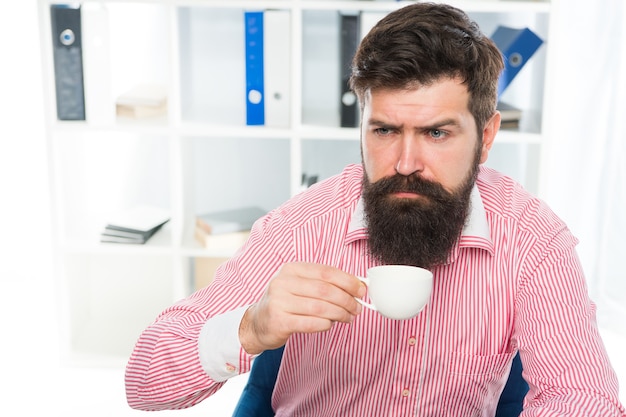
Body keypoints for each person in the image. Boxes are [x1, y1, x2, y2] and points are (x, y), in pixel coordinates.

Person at [125, 3, 626, 416]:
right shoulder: (303, 225)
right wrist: (251, 327)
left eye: (437, 133)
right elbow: (143, 380)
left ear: (487, 136)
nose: (405, 163)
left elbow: (583, 395)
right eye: (384, 131)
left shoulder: (532, 237)